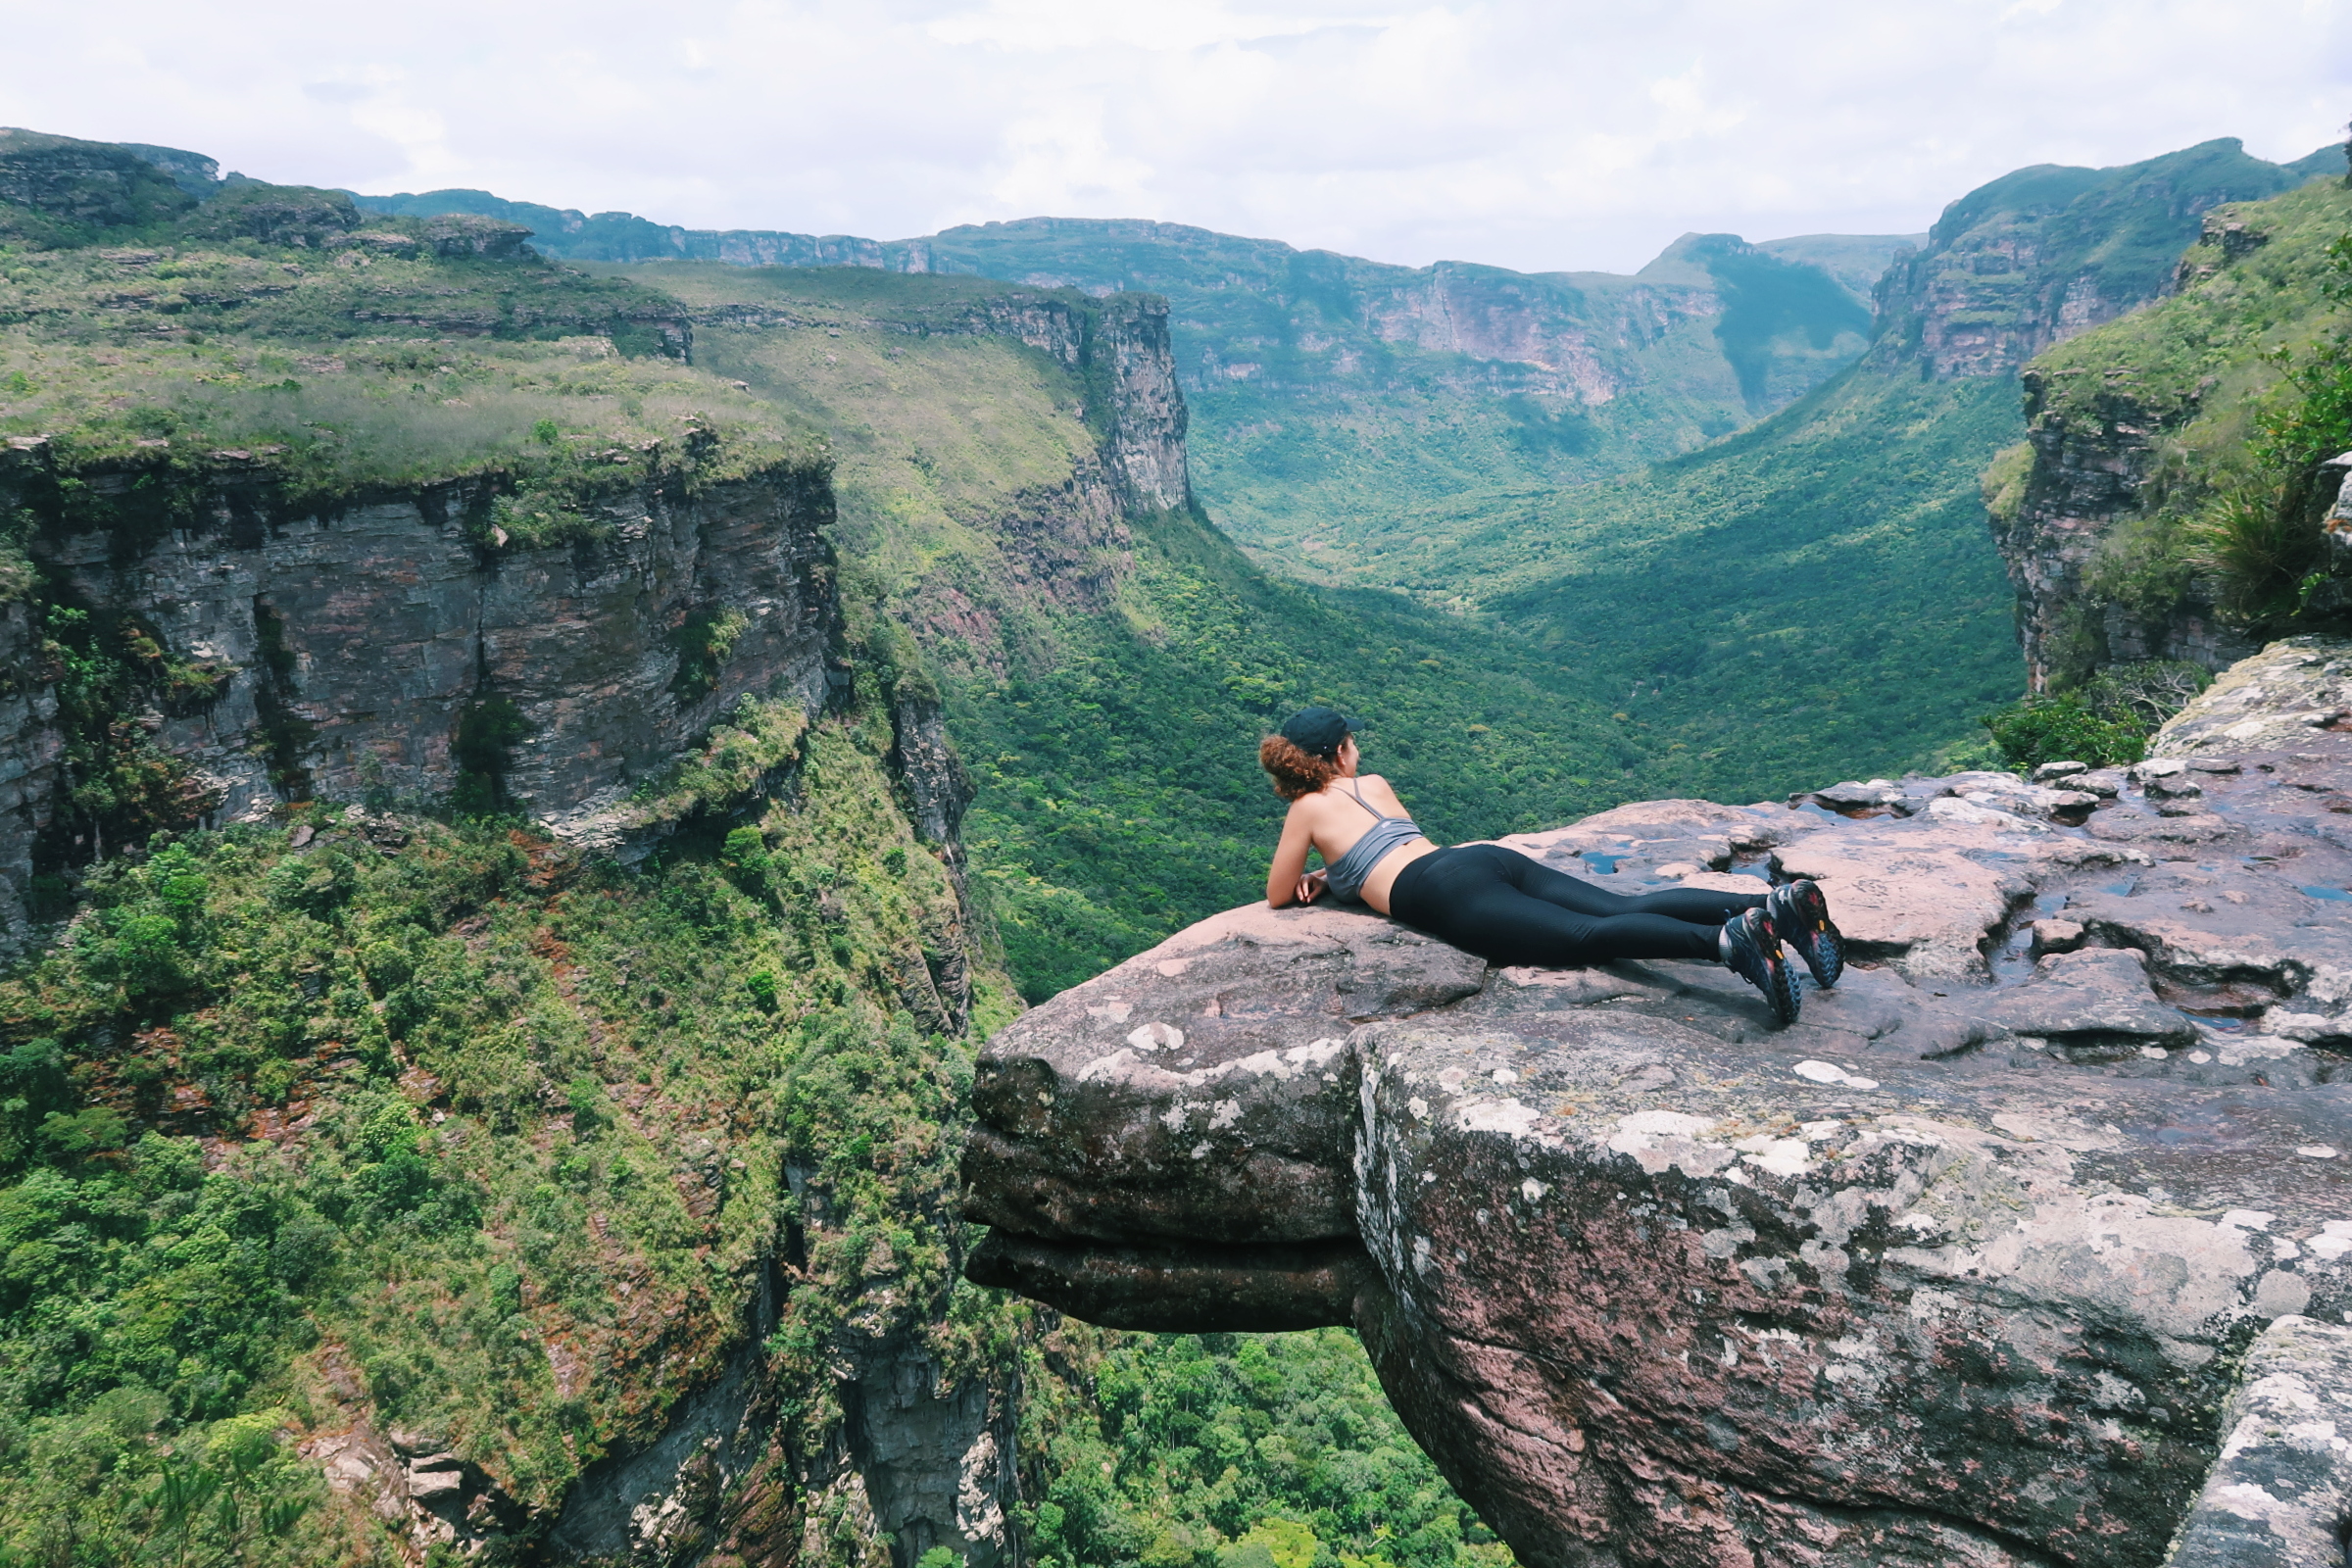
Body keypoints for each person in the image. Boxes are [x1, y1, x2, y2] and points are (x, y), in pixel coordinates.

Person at [1258, 706, 1844, 1027]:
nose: (1357, 747)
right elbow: (1376, 849)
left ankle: (1728, 943)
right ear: (1339, 753)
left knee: (1584, 938)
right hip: (1475, 862)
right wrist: (1335, 873)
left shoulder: (1305, 810)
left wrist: (1325, 877)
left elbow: (1279, 894)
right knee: (1621, 908)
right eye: (1351, 741)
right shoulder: (1373, 784)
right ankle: (1772, 908)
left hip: (1441, 895)